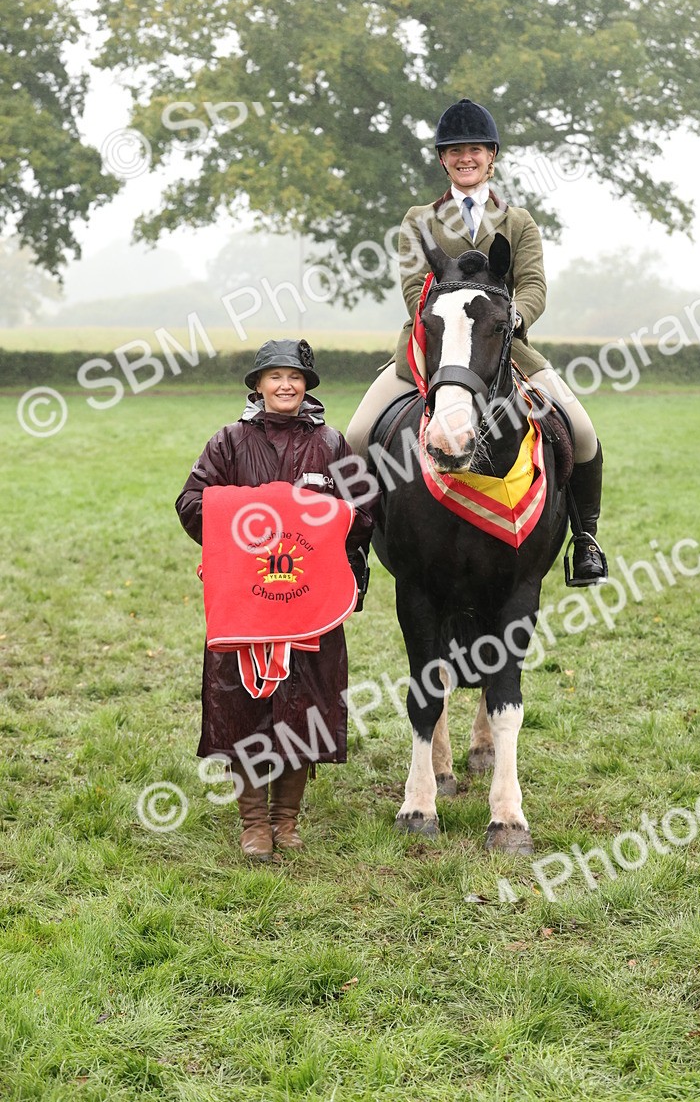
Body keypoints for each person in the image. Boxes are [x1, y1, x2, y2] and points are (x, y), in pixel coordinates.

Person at [345, 97, 607, 585]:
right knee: (357, 437)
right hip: (431, 345)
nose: (466, 158)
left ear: (492, 156)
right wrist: (437, 321)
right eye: (455, 150)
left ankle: (585, 538)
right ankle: (355, 547)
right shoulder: (419, 219)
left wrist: (515, 318)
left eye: (476, 150)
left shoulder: (519, 221)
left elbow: (532, 285)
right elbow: (411, 286)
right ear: (443, 159)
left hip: (504, 345)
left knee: (582, 429)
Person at [176, 338, 373, 861]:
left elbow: (363, 509)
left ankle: (287, 820)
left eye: (295, 377)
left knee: (301, 707)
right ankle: (253, 822)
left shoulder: (332, 444)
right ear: (258, 384)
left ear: (307, 385)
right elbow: (192, 502)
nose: (285, 386)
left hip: (308, 601)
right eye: (275, 377)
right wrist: (260, 507)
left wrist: (323, 517)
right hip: (246, 602)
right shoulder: (229, 442)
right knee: (242, 706)